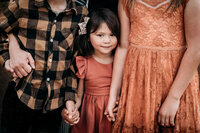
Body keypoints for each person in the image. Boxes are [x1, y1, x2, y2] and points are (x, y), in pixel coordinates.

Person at [105, 0, 200, 132]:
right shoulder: (127, 2)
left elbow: (196, 49)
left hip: (176, 83)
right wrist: (112, 95)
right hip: (138, 85)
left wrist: (173, 98)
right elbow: (123, 47)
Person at [0, 0, 87, 132]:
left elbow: (76, 61)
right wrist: (7, 58)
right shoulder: (22, 4)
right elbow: (2, 29)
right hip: (20, 94)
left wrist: (70, 98)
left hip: (53, 104)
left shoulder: (81, 14)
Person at [62, 8, 120, 133]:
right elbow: (79, 94)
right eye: (100, 35)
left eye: (112, 35)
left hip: (113, 114)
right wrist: (71, 111)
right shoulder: (84, 62)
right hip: (89, 115)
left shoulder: (119, 63)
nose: (107, 40)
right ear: (88, 36)